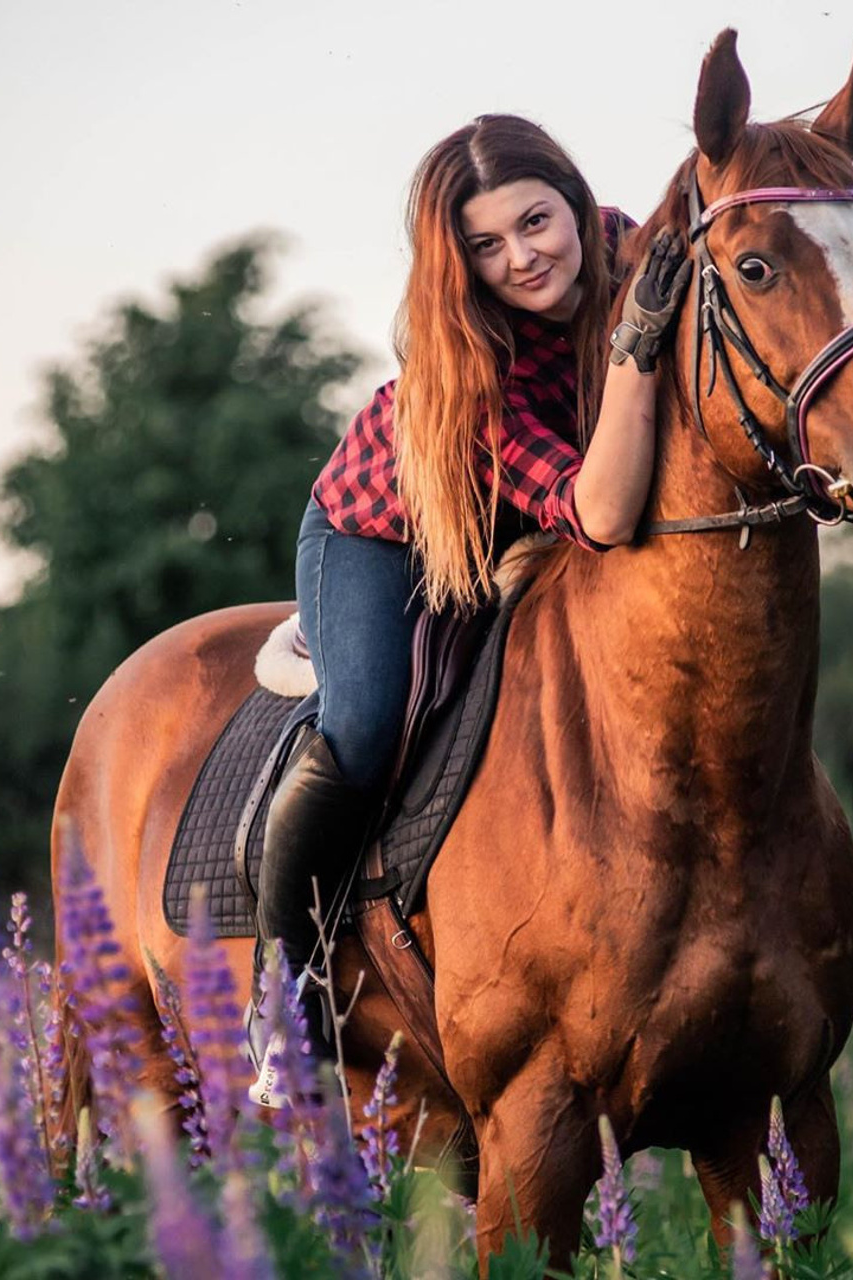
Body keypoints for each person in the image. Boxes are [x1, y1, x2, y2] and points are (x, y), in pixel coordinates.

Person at [247, 113, 689, 1106]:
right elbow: (603, 509)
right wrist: (635, 345)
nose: (520, 257)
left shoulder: (633, 247)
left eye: (535, 222)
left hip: (523, 534)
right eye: (484, 246)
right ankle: (283, 1000)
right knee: (362, 725)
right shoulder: (474, 364)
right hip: (383, 533)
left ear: (574, 200)